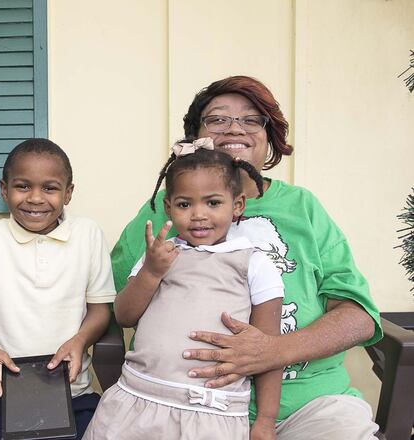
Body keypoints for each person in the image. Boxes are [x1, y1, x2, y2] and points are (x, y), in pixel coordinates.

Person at [111, 76, 381, 439]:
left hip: (308, 405)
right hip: (187, 405)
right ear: (196, 138)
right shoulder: (159, 215)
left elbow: (359, 317)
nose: (234, 128)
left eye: (252, 120)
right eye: (218, 119)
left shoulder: (303, 208)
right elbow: (119, 308)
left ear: (268, 137)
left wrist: (272, 350)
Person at [85, 140, 284, 440]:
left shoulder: (253, 264)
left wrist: (266, 421)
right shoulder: (160, 255)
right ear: (169, 207)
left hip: (211, 415)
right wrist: (151, 272)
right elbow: (124, 315)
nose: (198, 214)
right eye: (184, 204)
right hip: (136, 400)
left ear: (237, 205)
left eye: (213, 203)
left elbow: (269, 351)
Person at [0, 138, 116, 440]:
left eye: (50, 188)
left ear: (68, 194)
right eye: (23, 186)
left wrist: (80, 341)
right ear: (4, 190)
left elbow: (100, 310)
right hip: (5, 393)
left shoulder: (88, 235)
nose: (35, 198)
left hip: (75, 393)